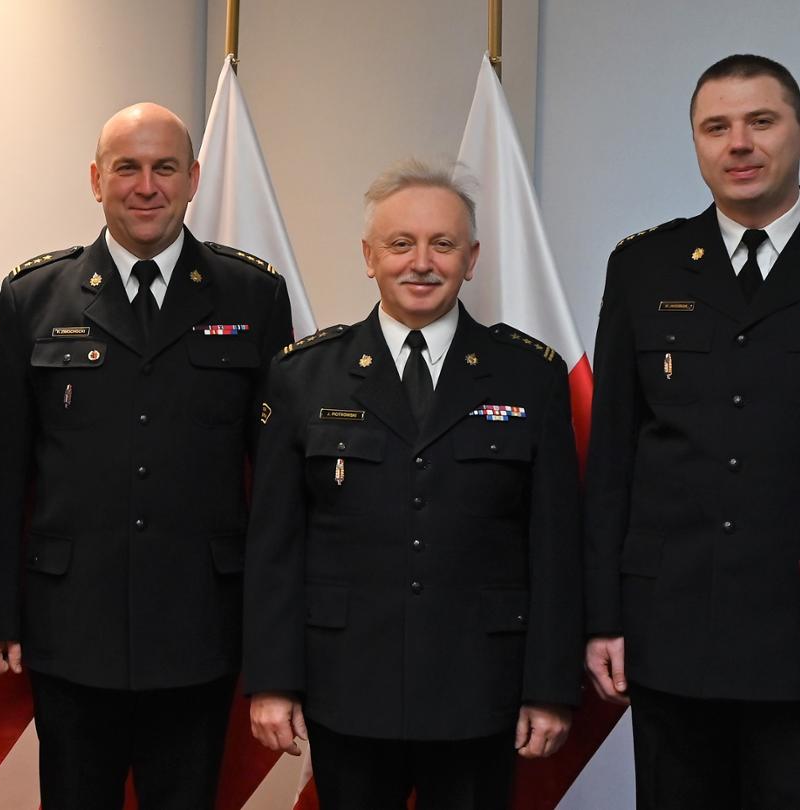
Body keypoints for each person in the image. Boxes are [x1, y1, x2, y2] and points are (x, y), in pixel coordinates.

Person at [581, 53, 800, 808]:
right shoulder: (643, 266)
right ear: (696, 143)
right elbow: (612, 456)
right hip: (669, 621)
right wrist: (602, 616)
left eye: (761, 122)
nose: (738, 143)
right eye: (716, 127)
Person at [0, 101, 292, 809]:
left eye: (164, 168)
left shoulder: (253, 294)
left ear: (193, 179)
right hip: (70, 622)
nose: (146, 186)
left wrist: (273, 639)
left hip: (200, 623)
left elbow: (277, 482)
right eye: (127, 168)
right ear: (97, 180)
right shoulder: (34, 296)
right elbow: (3, 475)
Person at [243, 160, 581, 808]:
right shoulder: (303, 376)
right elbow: (275, 547)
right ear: (369, 257)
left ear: (471, 259)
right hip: (347, 686)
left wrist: (549, 687)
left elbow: (556, 547)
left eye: (442, 244)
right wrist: (273, 682)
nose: (421, 263)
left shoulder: (530, 376)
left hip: (481, 689)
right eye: (401, 244)